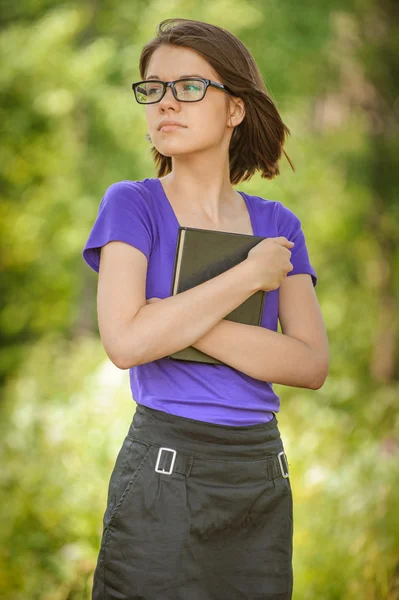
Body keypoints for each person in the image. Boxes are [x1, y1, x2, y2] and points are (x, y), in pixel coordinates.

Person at [82, 17, 329, 600]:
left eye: (190, 87)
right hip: (165, 466)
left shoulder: (278, 226)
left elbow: (309, 365)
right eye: (153, 88)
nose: (166, 103)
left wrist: (166, 317)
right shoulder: (133, 205)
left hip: (259, 470)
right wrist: (248, 276)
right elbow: (125, 344)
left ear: (235, 109)